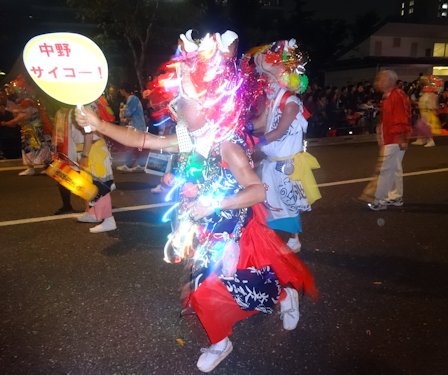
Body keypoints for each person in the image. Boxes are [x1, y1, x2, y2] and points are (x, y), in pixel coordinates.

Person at [75, 30, 316, 373]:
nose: (176, 107)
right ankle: (235, 329)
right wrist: (99, 123)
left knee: (220, 287)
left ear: (208, 105)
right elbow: (143, 139)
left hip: (232, 231)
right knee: (228, 286)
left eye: (184, 101)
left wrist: (214, 205)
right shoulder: (191, 137)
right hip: (203, 227)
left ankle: (266, 308)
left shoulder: (227, 145)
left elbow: (258, 191)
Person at [244, 39, 321, 253]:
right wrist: (244, 128)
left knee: (288, 202)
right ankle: (270, 238)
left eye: (268, 78)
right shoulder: (273, 100)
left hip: (287, 164)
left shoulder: (292, 103)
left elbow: (279, 131)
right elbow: (261, 123)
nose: (265, 82)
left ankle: (294, 240)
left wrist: (255, 142)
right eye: (264, 78)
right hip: (271, 162)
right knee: (268, 200)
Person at [51, 97, 117, 232]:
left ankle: (109, 220)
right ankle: (93, 214)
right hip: (88, 149)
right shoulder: (79, 105)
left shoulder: (82, 106)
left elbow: (89, 133)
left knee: (100, 187)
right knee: (90, 186)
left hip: (92, 150)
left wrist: (85, 155)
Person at [358, 70, 412, 211]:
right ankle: (395, 197)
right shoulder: (390, 95)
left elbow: (401, 118)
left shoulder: (396, 96)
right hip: (392, 137)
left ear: (389, 81)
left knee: (385, 169)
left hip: (394, 138)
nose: (378, 82)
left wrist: (401, 138)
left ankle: (378, 199)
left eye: (380, 79)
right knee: (394, 168)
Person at [117, 83, 147, 171]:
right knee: (138, 147)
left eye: (121, 90)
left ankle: (128, 165)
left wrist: (123, 111)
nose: (120, 92)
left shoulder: (132, 98)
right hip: (138, 126)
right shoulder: (132, 98)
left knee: (131, 146)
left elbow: (128, 113)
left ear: (123, 90)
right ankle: (140, 165)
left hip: (137, 126)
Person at [412, 75, 443, 148]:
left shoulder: (432, 94)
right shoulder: (425, 93)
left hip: (428, 113)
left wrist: (433, 111)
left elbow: (433, 105)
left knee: (424, 126)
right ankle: (421, 139)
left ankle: (430, 140)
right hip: (423, 112)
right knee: (420, 126)